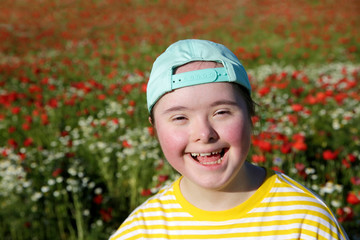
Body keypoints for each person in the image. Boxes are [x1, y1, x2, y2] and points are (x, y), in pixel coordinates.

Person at [109, 39, 348, 239]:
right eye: (180, 117)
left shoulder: (305, 221)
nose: (204, 134)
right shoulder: (141, 232)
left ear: (250, 113)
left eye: (221, 112)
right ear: (155, 127)